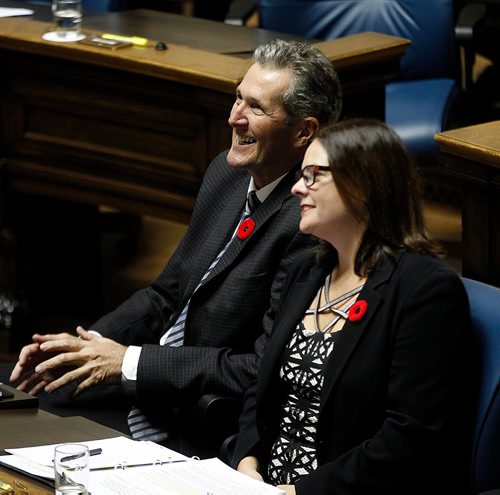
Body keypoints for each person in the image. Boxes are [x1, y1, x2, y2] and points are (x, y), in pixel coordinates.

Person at [7, 39, 342, 456]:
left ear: (304, 131)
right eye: (238, 98)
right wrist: (86, 346)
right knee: (15, 413)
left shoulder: (309, 221)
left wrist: (129, 361)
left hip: (199, 417)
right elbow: (168, 293)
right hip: (150, 385)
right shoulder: (226, 171)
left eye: (256, 108)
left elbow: (261, 366)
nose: (234, 117)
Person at [228, 119, 471, 494]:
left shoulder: (425, 290)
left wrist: (297, 492)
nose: (296, 188)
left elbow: (408, 437)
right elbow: (260, 385)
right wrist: (247, 466)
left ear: (362, 185)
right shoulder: (304, 271)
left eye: (312, 175)